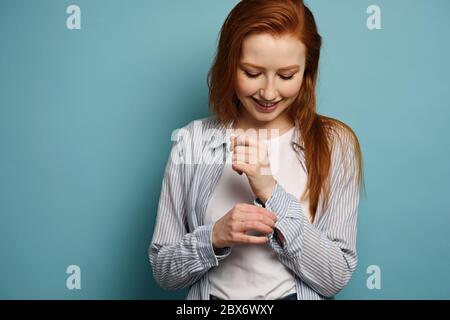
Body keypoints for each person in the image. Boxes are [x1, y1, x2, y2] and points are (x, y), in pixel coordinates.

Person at [149, 0, 364, 300]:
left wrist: (271, 192)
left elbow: (335, 275)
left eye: (287, 75)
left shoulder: (335, 144)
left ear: (307, 73)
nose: (268, 92)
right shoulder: (193, 140)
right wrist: (214, 237)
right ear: (229, 65)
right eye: (252, 73)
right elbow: (163, 270)